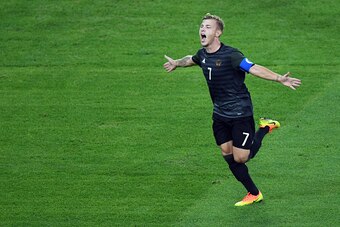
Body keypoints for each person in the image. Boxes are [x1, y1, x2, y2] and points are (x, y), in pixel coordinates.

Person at [163, 13, 301, 206]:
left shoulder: (231, 55)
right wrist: (177, 63)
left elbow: (253, 68)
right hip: (219, 114)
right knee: (227, 153)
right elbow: (191, 59)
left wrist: (279, 78)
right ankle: (254, 193)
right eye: (202, 26)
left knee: (241, 157)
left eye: (208, 27)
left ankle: (264, 128)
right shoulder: (202, 54)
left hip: (240, 113)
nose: (202, 30)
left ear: (218, 33)